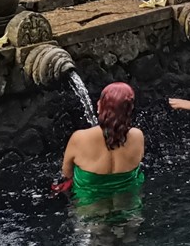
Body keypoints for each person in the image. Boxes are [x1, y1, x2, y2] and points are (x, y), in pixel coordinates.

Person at [57, 82, 145, 210]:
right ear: (129, 110)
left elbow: (66, 173)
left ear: (100, 106)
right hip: (129, 208)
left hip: (91, 212)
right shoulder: (138, 137)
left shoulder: (80, 138)